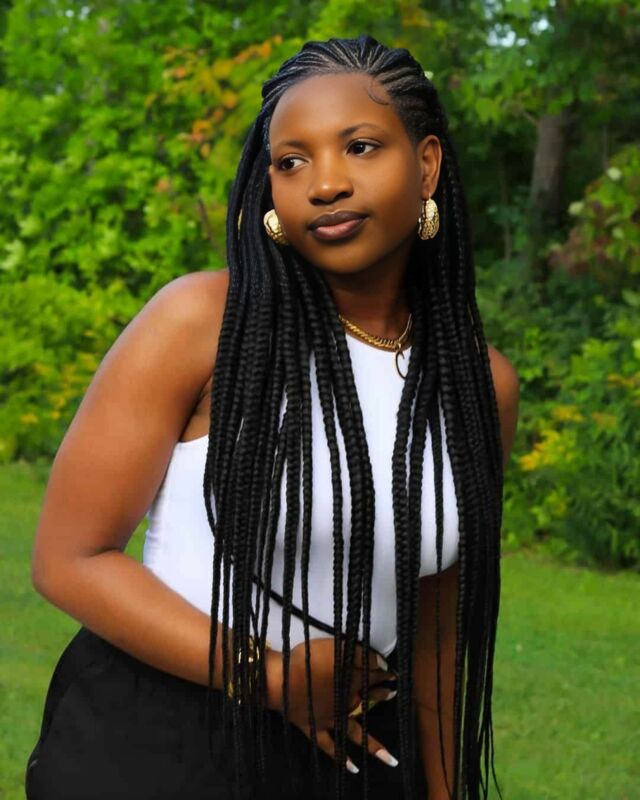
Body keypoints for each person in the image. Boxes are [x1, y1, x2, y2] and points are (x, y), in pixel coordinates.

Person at [25, 34, 519, 800]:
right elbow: (70, 559)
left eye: (359, 147)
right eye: (291, 161)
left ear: (425, 165)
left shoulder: (479, 383)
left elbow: (436, 627)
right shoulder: (202, 321)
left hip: (359, 749)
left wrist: (445, 790)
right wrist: (269, 675)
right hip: (164, 744)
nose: (325, 183)